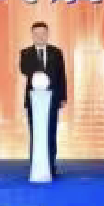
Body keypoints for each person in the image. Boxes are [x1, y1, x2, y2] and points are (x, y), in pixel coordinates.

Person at [18, 21, 68, 174]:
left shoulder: (56, 52)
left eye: (43, 33)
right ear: (32, 35)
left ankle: (51, 165)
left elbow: (62, 75)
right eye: (36, 34)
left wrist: (63, 97)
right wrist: (39, 71)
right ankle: (36, 164)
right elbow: (24, 69)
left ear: (47, 34)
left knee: (51, 131)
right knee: (36, 132)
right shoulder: (25, 53)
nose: (40, 36)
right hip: (34, 100)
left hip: (52, 98)